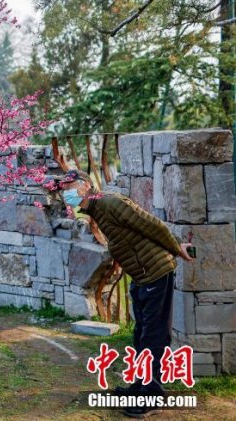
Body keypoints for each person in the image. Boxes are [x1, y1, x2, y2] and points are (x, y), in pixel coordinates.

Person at [57, 169, 195, 419]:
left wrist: (177, 248)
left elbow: (152, 225)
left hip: (157, 272)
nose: (66, 194)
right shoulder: (97, 211)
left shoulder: (110, 203)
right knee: (141, 333)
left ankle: (151, 395)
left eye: (71, 187)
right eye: (63, 190)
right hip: (141, 277)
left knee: (154, 335)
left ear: (86, 187)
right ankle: (139, 386)